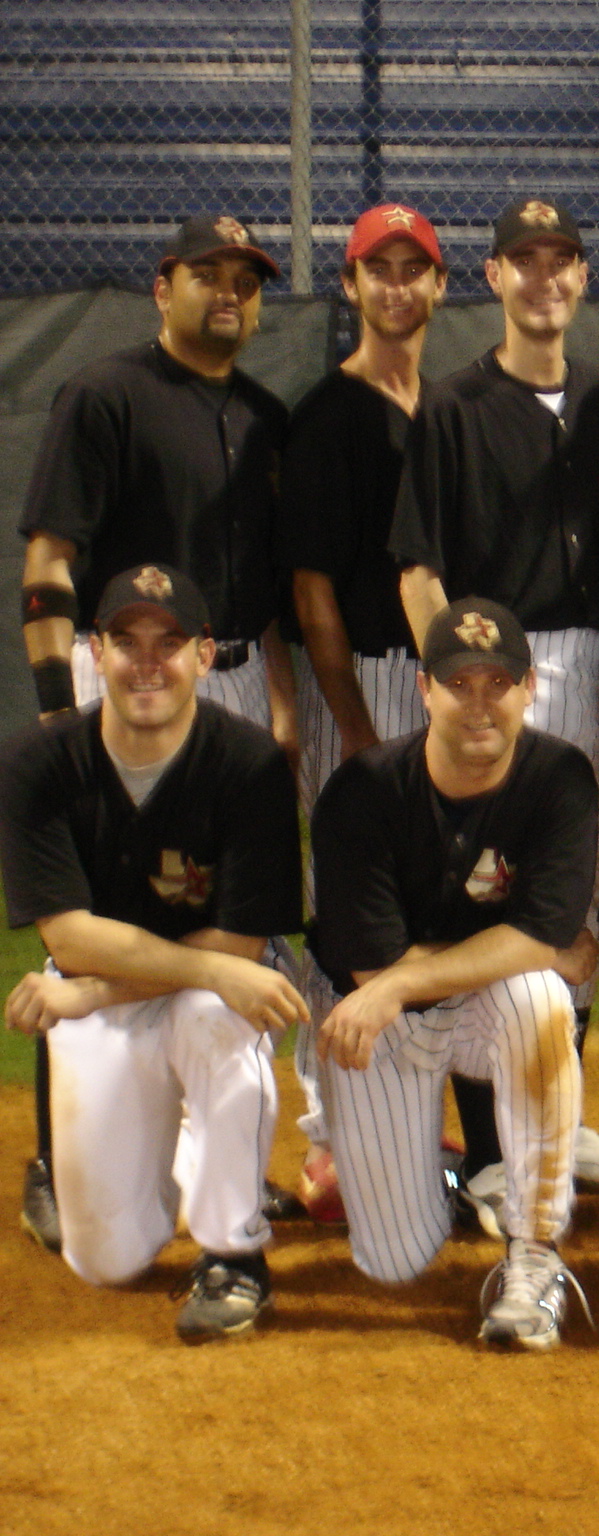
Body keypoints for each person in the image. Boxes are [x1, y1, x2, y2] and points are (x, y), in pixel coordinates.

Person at [15, 214, 297, 1251]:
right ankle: (56, 1157)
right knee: (99, 905)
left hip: (222, 685)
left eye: (246, 279)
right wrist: (59, 710)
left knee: (224, 918)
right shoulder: (106, 395)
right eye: (207, 275)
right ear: (161, 284)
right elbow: (50, 559)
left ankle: (216, 1151)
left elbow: (258, 593)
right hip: (117, 683)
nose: (229, 292)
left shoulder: (266, 416)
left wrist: (273, 698)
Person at [387, 196, 599, 1211]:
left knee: (572, 901)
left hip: (582, 670)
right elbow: (417, 570)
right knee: (481, 895)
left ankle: (555, 1118)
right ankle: (494, 1151)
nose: (544, 278)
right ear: (491, 278)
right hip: (492, 669)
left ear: (582, 277)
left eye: (562, 260)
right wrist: (461, 693)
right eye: (522, 261)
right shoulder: (451, 406)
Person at [0, 565, 304, 1339]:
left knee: (216, 1015)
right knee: (108, 1258)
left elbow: (241, 945)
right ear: (92, 653)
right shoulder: (39, 764)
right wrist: (200, 968)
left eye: (168, 643)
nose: (147, 662)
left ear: (205, 656)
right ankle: (176, 1158)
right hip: (128, 994)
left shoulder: (251, 764)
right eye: (125, 641)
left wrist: (94, 992)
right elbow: (69, 939)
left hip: (146, 996)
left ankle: (235, 1255)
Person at [310, 598, 599, 1350]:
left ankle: (534, 1255)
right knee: (395, 1258)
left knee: (539, 1000)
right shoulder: (363, 791)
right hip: (384, 1032)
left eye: (496, 684)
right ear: (423, 688)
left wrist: (419, 975)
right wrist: (527, 946)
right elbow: (372, 963)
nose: (478, 704)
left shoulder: (562, 777)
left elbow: (538, 949)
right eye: (458, 684)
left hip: (436, 1009)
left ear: (529, 688)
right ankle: (432, 1173)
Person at [277, 202, 449, 1222]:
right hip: (369, 682)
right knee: (344, 915)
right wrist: (349, 722)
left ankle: (410, 1110)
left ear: (437, 286)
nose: (394, 286)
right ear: (349, 288)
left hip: (441, 684)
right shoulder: (327, 416)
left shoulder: (448, 405)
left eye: (411, 268)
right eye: (374, 270)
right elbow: (312, 591)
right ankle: (329, 1136)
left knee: (432, 910)